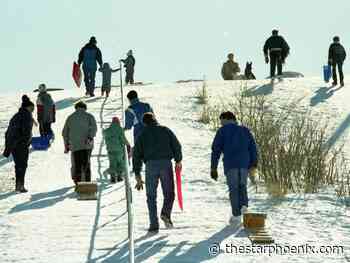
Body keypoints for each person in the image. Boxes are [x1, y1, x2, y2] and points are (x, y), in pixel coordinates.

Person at [133, 112, 182, 234]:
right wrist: (178, 160)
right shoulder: (165, 130)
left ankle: (154, 225)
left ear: (144, 123)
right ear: (154, 119)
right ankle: (165, 213)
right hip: (165, 164)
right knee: (169, 193)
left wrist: (137, 174)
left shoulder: (142, 135)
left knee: (151, 196)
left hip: (150, 166)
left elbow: (136, 155)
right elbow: (177, 145)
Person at [210, 111, 258, 226]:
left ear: (226, 119)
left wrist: (213, 168)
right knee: (242, 186)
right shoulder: (245, 130)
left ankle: (236, 215)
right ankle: (244, 206)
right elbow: (253, 148)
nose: (221, 123)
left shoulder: (222, 131)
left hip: (230, 164)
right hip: (244, 164)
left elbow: (216, 150)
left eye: (221, 120)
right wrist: (253, 164)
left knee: (234, 189)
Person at [3, 95, 35, 193]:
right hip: (21, 144)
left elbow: (8, 132)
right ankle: (20, 186)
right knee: (22, 165)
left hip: (13, 145)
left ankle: (18, 185)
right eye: (32, 108)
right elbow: (26, 132)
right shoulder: (27, 116)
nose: (33, 110)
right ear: (28, 107)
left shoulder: (16, 116)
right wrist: (27, 142)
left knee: (18, 165)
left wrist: (8, 146)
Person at [62, 101, 97, 185]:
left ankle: (78, 184)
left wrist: (66, 145)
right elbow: (94, 128)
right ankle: (87, 183)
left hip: (75, 145)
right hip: (87, 145)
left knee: (77, 164)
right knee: (87, 163)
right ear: (84, 108)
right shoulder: (89, 116)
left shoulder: (70, 117)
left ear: (76, 108)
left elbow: (64, 133)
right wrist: (90, 137)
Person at [103, 117, 131, 183]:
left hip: (110, 150)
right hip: (119, 149)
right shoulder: (120, 129)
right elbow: (123, 139)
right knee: (120, 163)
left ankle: (112, 177)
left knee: (112, 163)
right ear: (118, 122)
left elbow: (104, 134)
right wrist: (128, 144)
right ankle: (119, 176)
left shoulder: (107, 130)